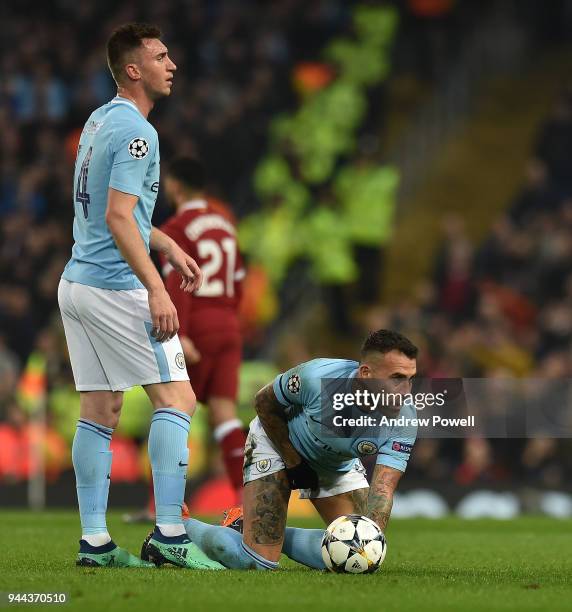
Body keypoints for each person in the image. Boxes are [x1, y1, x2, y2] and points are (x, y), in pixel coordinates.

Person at [57, 22, 222, 570]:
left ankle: (96, 544)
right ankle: (170, 537)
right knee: (178, 401)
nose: (171, 64)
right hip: (115, 288)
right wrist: (157, 288)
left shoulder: (100, 119)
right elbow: (117, 215)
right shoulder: (139, 134)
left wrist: (167, 243)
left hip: (76, 284)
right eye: (160, 55)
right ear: (134, 70)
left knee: (100, 411)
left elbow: (108, 209)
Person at [143, 329, 419, 570]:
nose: (405, 389)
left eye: (410, 378)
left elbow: (383, 488)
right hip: (277, 445)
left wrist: (371, 544)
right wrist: (293, 461)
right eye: (396, 378)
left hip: (335, 465)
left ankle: (247, 525)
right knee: (256, 563)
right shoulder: (316, 377)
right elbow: (263, 402)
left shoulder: (404, 417)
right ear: (366, 373)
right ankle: (180, 527)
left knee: (357, 558)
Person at [161, 157, 247, 500]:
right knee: (225, 414)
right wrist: (229, 318)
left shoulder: (177, 226)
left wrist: (180, 333)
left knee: (173, 408)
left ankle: (161, 504)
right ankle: (248, 500)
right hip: (229, 325)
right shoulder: (225, 223)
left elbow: (173, 279)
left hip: (196, 324)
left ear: (175, 185)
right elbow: (239, 280)